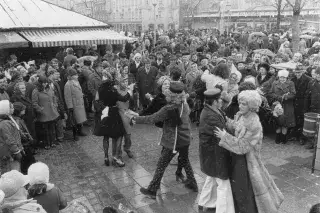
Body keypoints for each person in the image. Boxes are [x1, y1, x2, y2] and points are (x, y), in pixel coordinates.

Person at [214, 90, 284, 213]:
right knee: (240, 188)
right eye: (240, 103)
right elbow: (236, 127)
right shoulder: (241, 115)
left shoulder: (254, 123)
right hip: (238, 158)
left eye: (244, 104)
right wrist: (225, 119)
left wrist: (225, 137)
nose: (240, 106)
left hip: (248, 161)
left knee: (246, 189)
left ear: (251, 106)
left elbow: (243, 146)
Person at [133, 81, 198, 198]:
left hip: (173, 141)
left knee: (161, 165)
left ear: (170, 95)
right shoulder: (184, 104)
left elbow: (152, 119)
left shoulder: (169, 108)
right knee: (185, 161)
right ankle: (193, 183)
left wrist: (135, 118)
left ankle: (152, 190)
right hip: (185, 139)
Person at [198, 88, 235, 213]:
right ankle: (224, 210)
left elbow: (226, 121)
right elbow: (223, 132)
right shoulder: (210, 116)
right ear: (214, 101)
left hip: (212, 153)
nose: (221, 101)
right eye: (219, 99)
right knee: (223, 182)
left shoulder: (214, 110)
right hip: (215, 153)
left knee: (212, 178)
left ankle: (205, 202)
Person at [93, 71, 128, 167]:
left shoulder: (99, 89)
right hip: (113, 112)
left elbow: (96, 100)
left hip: (104, 113)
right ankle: (116, 157)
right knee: (119, 134)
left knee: (106, 136)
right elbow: (124, 98)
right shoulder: (113, 89)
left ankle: (105, 157)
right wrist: (129, 90)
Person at [32, 76, 59, 149]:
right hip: (44, 113)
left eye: (46, 82)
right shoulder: (36, 91)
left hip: (52, 111)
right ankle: (46, 143)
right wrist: (40, 109)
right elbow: (34, 103)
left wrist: (55, 104)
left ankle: (52, 142)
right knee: (45, 129)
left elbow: (54, 97)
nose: (45, 84)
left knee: (52, 128)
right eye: (43, 83)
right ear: (40, 83)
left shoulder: (49, 88)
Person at [270, 69, 296, 144]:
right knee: (278, 121)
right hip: (277, 105)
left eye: (284, 77)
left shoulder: (291, 83)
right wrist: (277, 97)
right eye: (281, 77)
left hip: (287, 105)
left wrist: (285, 97)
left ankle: (283, 138)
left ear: (287, 77)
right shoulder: (274, 83)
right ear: (279, 77)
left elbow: (293, 94)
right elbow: (270, 93)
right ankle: (278, 137)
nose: (282, 79)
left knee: (285, 122)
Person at [290, 65, 311, 146]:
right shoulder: (293, 79)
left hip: (303, 102)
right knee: (295, 118)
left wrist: (307, 104)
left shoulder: (308, 79)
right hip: (295, 101)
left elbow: (308, 93)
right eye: (296, 72)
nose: (297, 74)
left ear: (303, 71)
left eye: (299, 72)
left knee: (302, 119)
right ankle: (295, 135)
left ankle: (302, 137)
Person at [0, 100, 23, 173]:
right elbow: (9, 139)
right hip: (10, 153)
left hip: (12, 151)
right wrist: (16, 151)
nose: (13, 109)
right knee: (13, 171)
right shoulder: (5, 123)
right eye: (11, 107)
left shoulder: (8, 119)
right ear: (6, 110)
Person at [64, 69, 87, 141]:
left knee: (80, 119)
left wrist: (82, 94)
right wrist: (70, 106)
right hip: (75, 105)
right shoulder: (68, 84)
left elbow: (79, 91)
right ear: (71, 76)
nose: (77, 76)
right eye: (75, 75)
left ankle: (80, 131)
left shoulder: (77, 82)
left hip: (79, 103)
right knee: (75, 120)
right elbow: (67, 97)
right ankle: (75, 134)